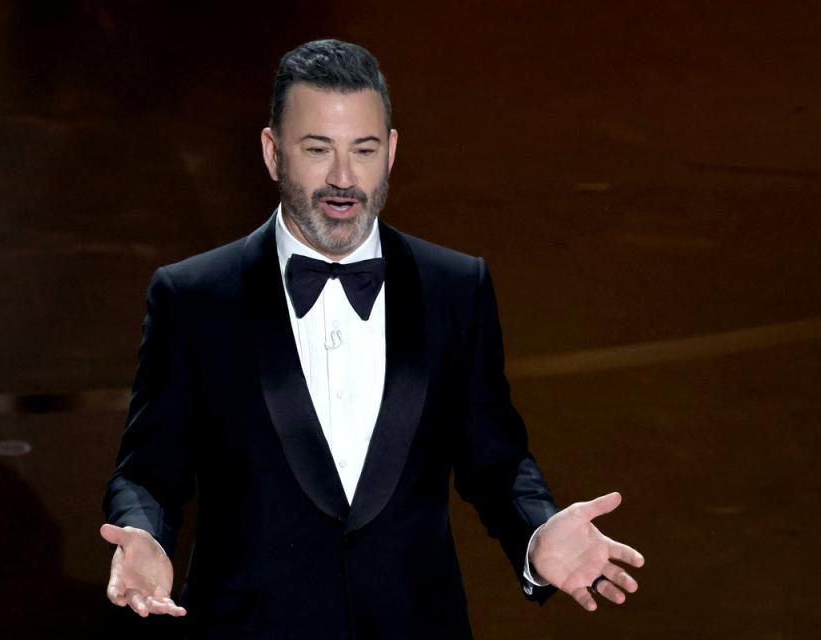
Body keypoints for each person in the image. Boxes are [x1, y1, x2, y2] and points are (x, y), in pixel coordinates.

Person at [100, 39, 644, 639]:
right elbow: (150, 469)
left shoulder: (456, 288)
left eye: (362, 150)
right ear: (272, 153)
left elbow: (495, 458)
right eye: (317, 150)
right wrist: (144, 534)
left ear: (390, 152)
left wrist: (536, 530)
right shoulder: (194, 297)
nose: (342, 178)